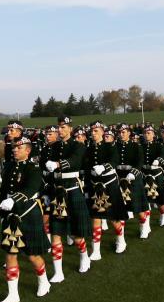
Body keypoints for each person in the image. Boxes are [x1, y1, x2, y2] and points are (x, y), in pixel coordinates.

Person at [0, 135, 52, 302]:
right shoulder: (10, 166)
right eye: (13, 147)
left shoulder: (33, 167)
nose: (14, 150)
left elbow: (31, 188)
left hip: (27, 213)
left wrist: (14, 199)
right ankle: (13, 294)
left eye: (18, 148)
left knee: (32, 254)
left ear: (27, 151)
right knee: (10, 253)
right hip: (11, 214)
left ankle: (43, 281)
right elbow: (5, 189)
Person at [45, 116, 92, 282]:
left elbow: (75, 160)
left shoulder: (78, 145)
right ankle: (58, 272)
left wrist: (58, 164)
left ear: (70, 129)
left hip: (72, 190)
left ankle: (84, 256)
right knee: (56, 232)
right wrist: (46, 192)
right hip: (57, 193)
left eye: (64, 127)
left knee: (76, 233)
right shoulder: (54, 146)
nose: (60, 130)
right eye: (59, 127)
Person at [83, 121, 126, 259]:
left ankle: (121, 239)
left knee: (113, 217)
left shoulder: (110, 147)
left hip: (109, 184)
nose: (93, 133)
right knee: (96, 217)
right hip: (95, 185)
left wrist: (105, 167)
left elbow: (114, 160)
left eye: (96, 131)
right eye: (92, 131)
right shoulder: (89, 149)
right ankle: (96, 250)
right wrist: (86, 186)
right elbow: (86, 167)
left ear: (102, 132)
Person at [114, 123, 149, 241]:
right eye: (119, 132)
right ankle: (121, 236)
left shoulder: (136, 146)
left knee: (137, 207)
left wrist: (133, 173)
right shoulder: (116, 146)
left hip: (133, 179)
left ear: (129, 133)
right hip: (119, 178)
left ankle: (144, 226)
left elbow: (139, 162)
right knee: (120, 208)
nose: (121, 134)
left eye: (123, 132)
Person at [140, 124, 164, 228]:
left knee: (160, 199)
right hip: (144, 175)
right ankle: (146, 225)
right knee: (145, 200)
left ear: (153, 134)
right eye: (145, 133)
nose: (146, 135)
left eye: (148, 133)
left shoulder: (158, 145)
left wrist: (158, 160)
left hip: (156, 174)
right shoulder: (141, 146)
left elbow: (163, 155)